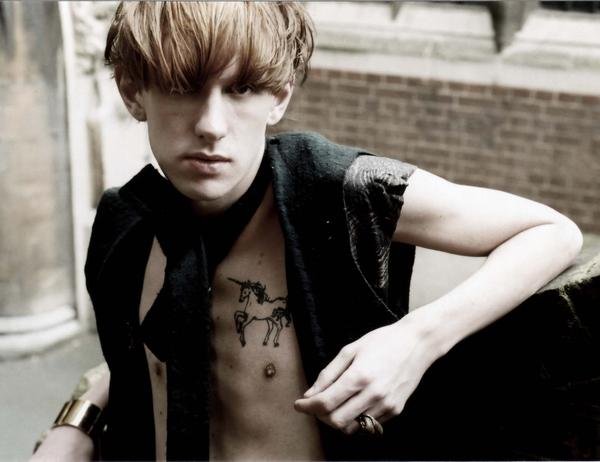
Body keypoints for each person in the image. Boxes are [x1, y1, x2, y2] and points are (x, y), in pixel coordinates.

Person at [31, 2, 583, 461]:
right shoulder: (125, 225)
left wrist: (416, 340)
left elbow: (551, 232)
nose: (211, 126)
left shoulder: (338, 189)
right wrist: (76, 423)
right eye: (182, 87)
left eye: (242, 88)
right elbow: (148, 356)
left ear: (280, 96)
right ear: (133, 93)